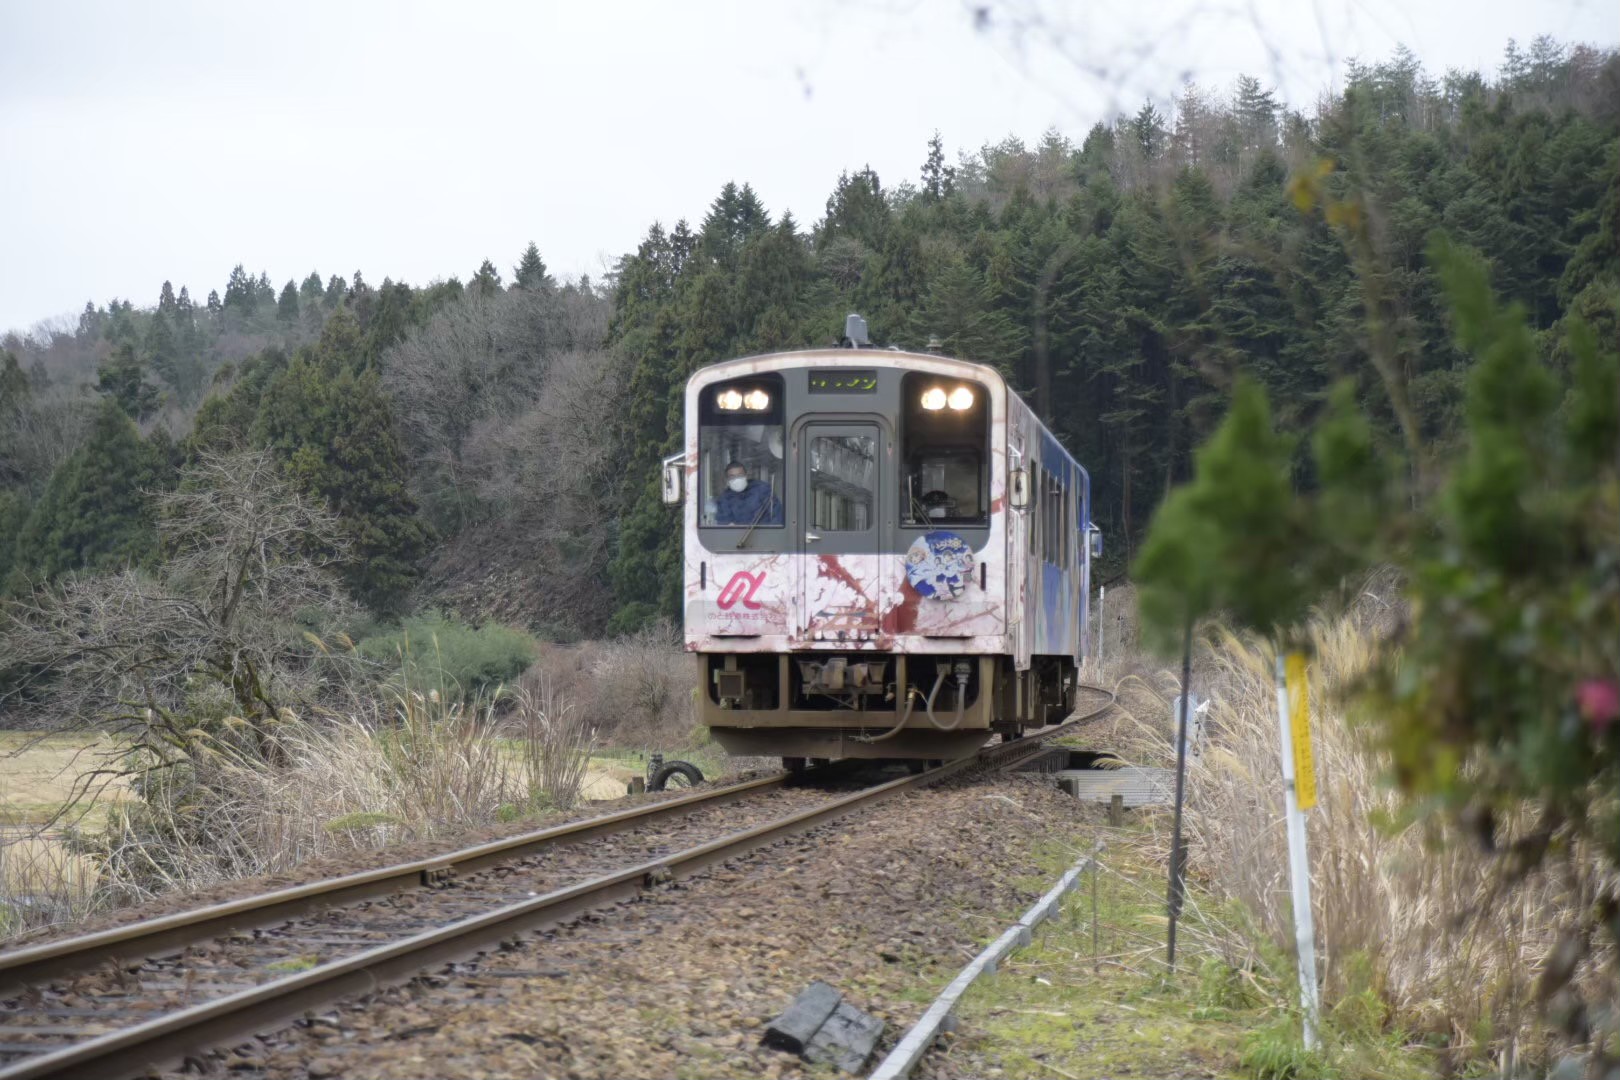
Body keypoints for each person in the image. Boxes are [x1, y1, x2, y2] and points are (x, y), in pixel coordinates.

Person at [715, 460, 782, 525]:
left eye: (740, 475)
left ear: (746, 476)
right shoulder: (724, 499)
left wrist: (770, 532)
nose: (737, 479)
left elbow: (778, 515)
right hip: (739, 536)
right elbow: (723, 522)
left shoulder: (763, 490)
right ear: (727, 480)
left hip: (765, 534)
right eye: (732, 477)